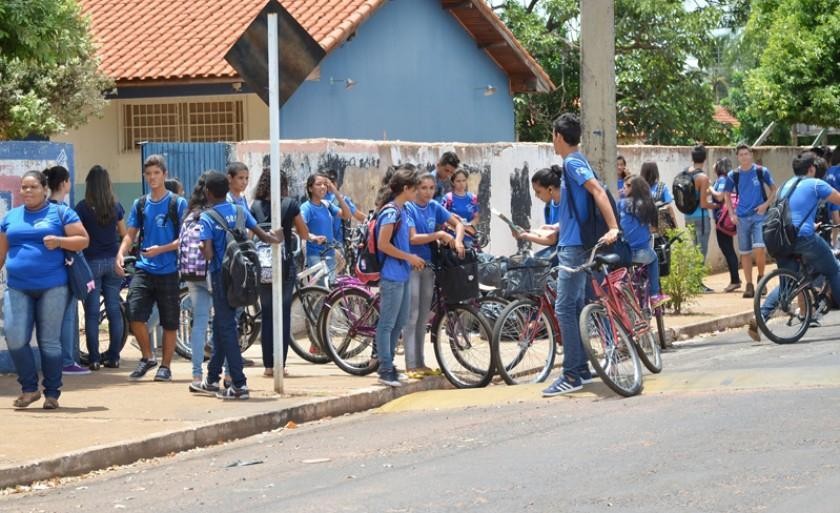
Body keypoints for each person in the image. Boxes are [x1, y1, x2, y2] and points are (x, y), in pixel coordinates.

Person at [542, 113, 620, 397]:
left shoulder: (572, 162)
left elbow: (597, 191)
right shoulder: (576, 162)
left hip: (574, 249)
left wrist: (613, 227)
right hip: (572, 241)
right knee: (574, 307)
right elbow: (579, 207)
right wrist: (558, 225)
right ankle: (583, 369)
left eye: (552, 136)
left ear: (558, 137)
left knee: (564, 308)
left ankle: (571, 374)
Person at [0, 170, 89, 409]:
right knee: (15, 337)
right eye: (24, 187)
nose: (27, 191)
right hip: (17, 287)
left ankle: (51, 393)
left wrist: (60, 241)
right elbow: (2, 252)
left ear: (44, 189)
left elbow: (83, 239)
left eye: (33, 187)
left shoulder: (60, 212)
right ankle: (29, 389)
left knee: (49, 341)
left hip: (53, 286)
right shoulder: (11, 217)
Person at [189, 171, 280, 399]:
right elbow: (262, 235)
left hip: (221, 277)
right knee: (222, 327)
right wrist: (275, 237)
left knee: (226, 328)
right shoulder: (240, 211)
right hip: (242, 276)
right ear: (226, 189)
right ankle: (211, 380)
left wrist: (201, 247)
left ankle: (239, 383)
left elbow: (208, 253)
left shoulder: (208, 218)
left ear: (208, 193)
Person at [748, 152, 840, 341]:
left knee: (787, 285)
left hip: (781, 240)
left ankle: (759, 318)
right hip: (803, 238)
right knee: (833, 269)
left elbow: (790, 214)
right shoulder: (815, 183)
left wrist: (811, 225)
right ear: (811, 169)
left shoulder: (785, 185)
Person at [116, 154, 188, 381]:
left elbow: (185, 239)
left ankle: (165, 366)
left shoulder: (178, 203)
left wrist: (161, 249)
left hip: (168, 269)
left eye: (156, 173)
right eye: (148, 174)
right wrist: (120, 253)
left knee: (169, 321)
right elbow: (130, 234)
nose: (152, 177)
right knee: (134, 313)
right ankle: (148, 357)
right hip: (144, 267)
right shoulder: (140, 204)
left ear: (164, 175)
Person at [405, 172, 465, 378]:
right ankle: (410, 363)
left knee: (423, 316)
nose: (428, 192)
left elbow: (458, 223)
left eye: (431, 188)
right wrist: (439, 234)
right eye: (423, 188)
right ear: (415, 189)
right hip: (412, 266)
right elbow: (412, 238)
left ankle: (420, 362)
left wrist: (457, 241)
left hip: (429, 266)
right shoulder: (409, 208)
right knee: (412, 315)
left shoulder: (434, 207)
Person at [250, 168, 309, 377]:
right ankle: (279, 365)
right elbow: (304, 233)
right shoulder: (290, 204)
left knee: (267, 315)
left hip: (262, 266)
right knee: (282, 316)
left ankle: (267, 366)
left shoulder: (255, 206)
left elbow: (250, 236)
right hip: (284, 265)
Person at [374, 165, 425, 387]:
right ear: (406, 188)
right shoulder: (391, 212)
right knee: (387, 324)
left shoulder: (402, 210)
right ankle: (385, 368)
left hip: (402, 274)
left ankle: (389, 363)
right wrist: (408, 257)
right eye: (415, 189)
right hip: (392, 275)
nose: (418, 193)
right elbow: (383, 244)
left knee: (400, 321)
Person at [75, 165, 127, 370]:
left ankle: (95, 359)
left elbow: (77, 235)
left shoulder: (82, 207)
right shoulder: (116, 206)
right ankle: (114, 357)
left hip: (91, 264)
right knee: (114, 308)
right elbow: (125, 234)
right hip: (113, 262)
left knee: (92, 313)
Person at [44, 166, 91, 376]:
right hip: (65, 272)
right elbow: (81, 242)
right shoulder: (64, 212)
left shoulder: (41, 210)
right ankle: (66, 361)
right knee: (67, 318)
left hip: (45, 271)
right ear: (64, 183)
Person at [724, 144, 778, 298]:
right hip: (742, 218)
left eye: (746, 154)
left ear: (751, 155)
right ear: (737, 157)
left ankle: (761, 278)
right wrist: (731, 214)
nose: (744, 157)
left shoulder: (761, 171)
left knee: (759, 248)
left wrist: (765, 204)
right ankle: (749, 285)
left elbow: (774, 189)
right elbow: (727, 195)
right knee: (745, 252)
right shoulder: (733, 175)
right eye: (741, 154)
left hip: (759, 216)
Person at [182, 172, 213, 389]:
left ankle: (196, 375)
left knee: (199, 324)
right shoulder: (214, 214)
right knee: (223, 324)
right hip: (212, 272)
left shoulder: (189, 215)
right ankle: (226, 375)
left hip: (192, 273)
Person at [621, 176, 669, 307]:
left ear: (632, 188)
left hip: (622, 253)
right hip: (641, 253)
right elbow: (653, 229)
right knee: (653, 259)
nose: (623, 188)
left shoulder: (621, 204)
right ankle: (654, 295)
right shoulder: (648, 205)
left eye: (626, 186)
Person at [300, 173, 351, 285]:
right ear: (310, 188)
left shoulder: (327, 204)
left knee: (330, 290)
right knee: (321, 291)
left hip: (329, 253)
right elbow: (300, 229)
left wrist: (336, 192)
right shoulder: (306, 208)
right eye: (319, 184)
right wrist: (313, 237)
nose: (323, 187)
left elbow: (346, 215)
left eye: (325, 184)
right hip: (315, 255)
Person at [680, 145, 716, 292]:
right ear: (705, 158)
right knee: (701, 251)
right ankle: (697, 284)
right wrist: (715, 206)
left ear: (692, 158)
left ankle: (692, 283)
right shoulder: (703, 177)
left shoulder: (685, 173)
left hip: (688, 217)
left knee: (694, 250)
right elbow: (703, 203)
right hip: (701, 217)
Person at [709, 158, 742, 292]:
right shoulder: (724, 179)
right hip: (723, 218)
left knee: (727, 249)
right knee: (728, 249)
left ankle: (734, 280)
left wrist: (710, 187)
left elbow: (720, 197)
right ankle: (735, 278)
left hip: (723, 219)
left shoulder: (723, 180)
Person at [442, 169, 479, 245]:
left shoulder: (472, 198)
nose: (461, 184)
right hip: (452, 239)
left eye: (464, 180)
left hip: (470, 239)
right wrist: (458, 228)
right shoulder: (448, 198)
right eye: (458, 181)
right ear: (453, 182)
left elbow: (476, 217)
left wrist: (469, 226)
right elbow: (443, 219)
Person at [640, 161, 677, 233]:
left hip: (644, 228)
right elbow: (669, 206)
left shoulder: (638, 188)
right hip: (661, 228)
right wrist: (675, 228)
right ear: (656, 172)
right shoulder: (662, 186)